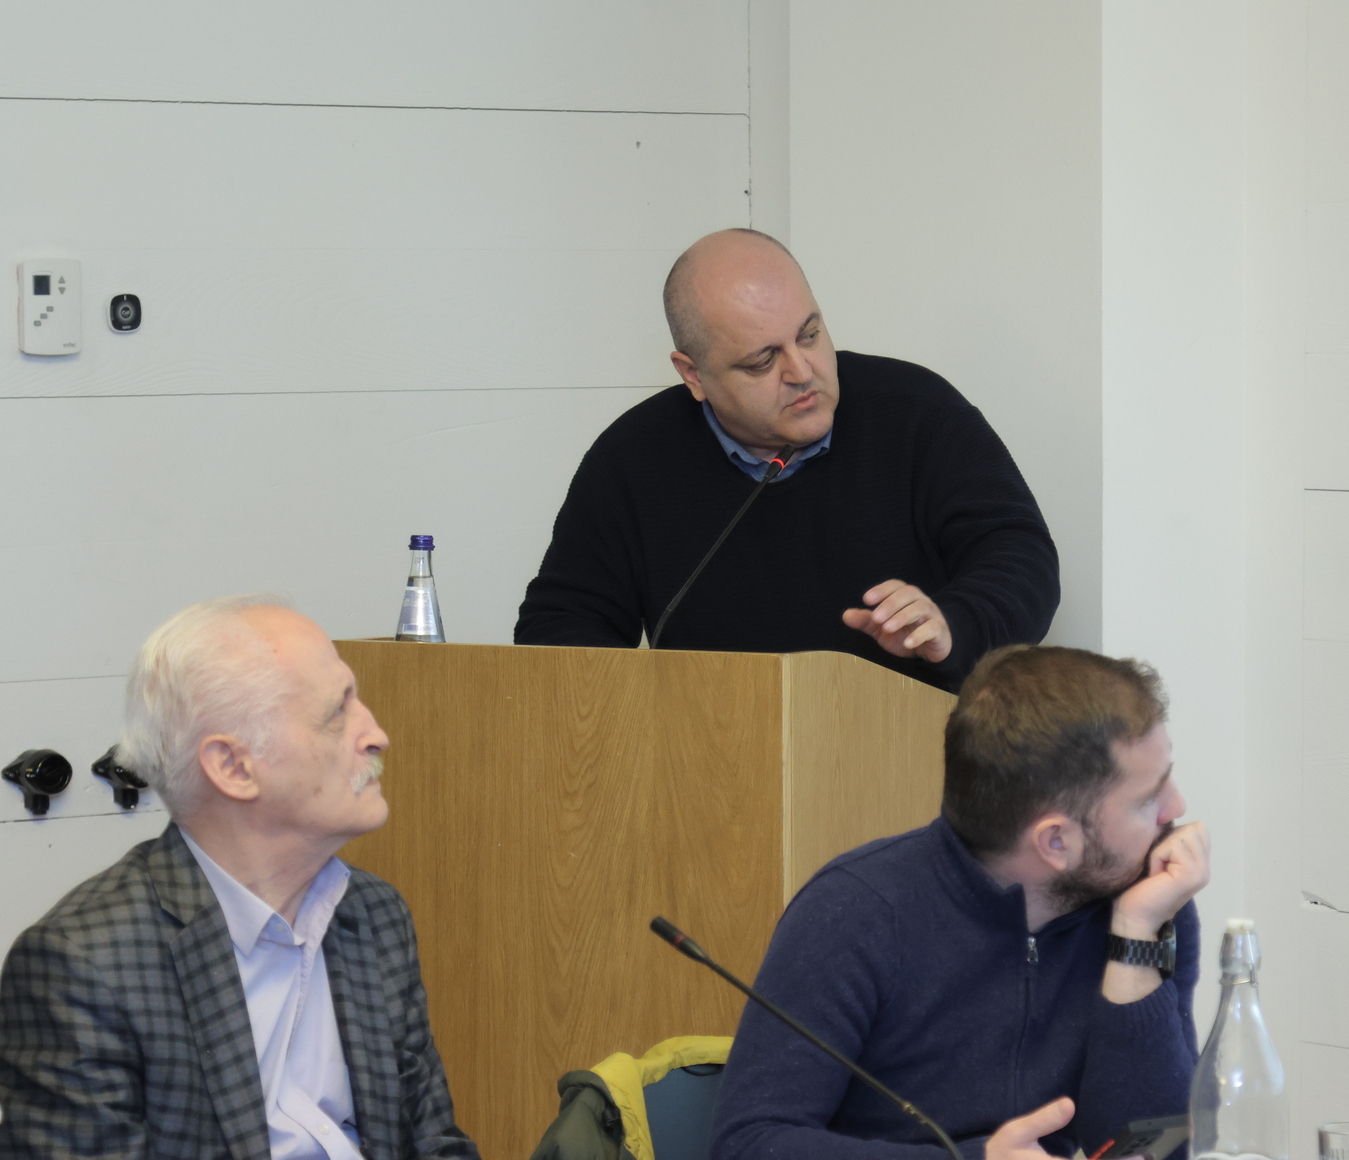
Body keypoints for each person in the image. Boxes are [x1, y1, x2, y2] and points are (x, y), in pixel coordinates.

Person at [0, 595, 478, 1160]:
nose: (375, 734)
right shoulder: (84, 965)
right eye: (336, 713)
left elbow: (433, 1143)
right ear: (232, 767)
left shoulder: (373, 912)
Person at [708, 645, 1209, 1159]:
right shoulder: (854, 912)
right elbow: (749, 1144)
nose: (1177, 807)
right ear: (1056, 841)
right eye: (1149, 798)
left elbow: (1148, 1148)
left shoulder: (1146, 907)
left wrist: (1135, 944)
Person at [513, 228, 1060, 692]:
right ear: (693, 375)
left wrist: (952, 625)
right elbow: (561, 625)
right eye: (762, 361)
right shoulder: (632, 459)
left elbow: (1020, 556)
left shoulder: (917, 412)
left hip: (909, 749)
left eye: (809, 335)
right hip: (716, 757)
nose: (802, 372)